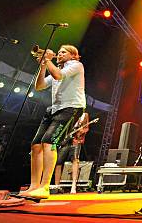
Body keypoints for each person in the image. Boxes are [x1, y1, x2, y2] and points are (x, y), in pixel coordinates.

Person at [19, 45, 86, 199]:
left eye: (64, 52)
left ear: (73, 56)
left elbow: (58, 76)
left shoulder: (76, 65)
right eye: (59, 52)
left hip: (71, 108)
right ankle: (34, 186)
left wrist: (47, 59)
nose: (60, 54)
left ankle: (45, 187)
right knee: (36, 145)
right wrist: (43, 66)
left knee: (49, 142)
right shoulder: (56, 67)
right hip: (54, 109)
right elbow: (40, 86)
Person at [54, 111, 90, 194]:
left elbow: (86, 127)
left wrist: (81, 131)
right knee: (58, 162)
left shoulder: (84, 115)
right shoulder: (68, 113)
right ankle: (56, 185)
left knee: (75, 160)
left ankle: (73, 186)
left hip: (75, 141)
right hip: (65, 141)